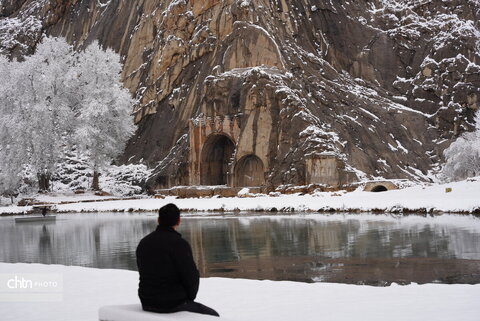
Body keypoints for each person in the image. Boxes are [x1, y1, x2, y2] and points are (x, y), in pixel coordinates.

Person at [136, 203, 219, 317]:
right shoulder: (179, 244)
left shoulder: (144, 243)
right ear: (179, 221)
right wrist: (188, 298)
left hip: (146, 302)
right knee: (213, 316)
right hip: (172, 303)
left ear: (158, 220)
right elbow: (191, 277)